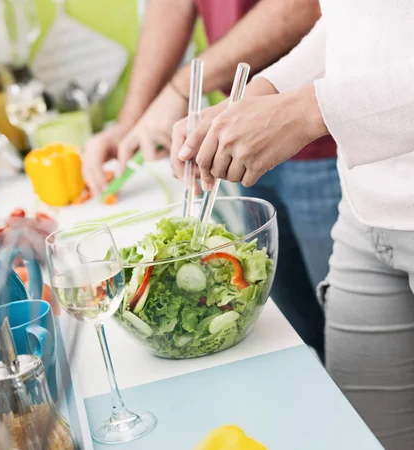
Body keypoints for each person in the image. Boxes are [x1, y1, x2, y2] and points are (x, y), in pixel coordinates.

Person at [172, 1, 414, 447]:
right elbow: (351, 22)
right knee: (362, 435)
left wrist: (305, 112)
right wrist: (261, 93)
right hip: (363, 216)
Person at [84, 0, 341, 361]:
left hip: (327, 142)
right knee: (293, 328)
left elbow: (304, 6)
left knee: (339, 327)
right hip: (239, 137)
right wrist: (133, 118)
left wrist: (179, 90)